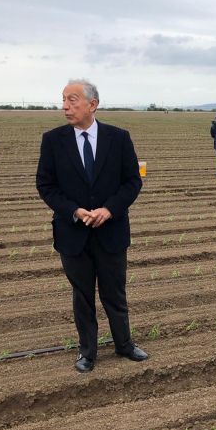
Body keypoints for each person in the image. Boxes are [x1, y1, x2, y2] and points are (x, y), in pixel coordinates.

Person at [36, 79, 148, 373]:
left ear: (92, 104)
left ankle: (124, 344)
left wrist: (109, 209)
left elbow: (132, 182)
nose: (65, 107)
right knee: (82, 295)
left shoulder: (119, 138)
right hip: (72, 233)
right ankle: (88, 352)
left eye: (72, 100)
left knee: (115, 292)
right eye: (63, 100)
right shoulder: (53, 140)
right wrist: (74, 210)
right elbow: (46, 186)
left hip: (111, 231)